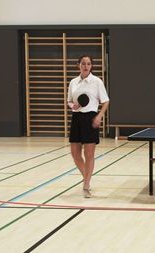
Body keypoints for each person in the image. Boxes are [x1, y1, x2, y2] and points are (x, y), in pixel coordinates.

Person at [67, 55, 109, 198]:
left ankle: (86, 184)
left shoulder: (97, 82)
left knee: (89, 154)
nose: (86, 66)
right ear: (78, 65)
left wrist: (99, 116)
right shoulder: (73, 82)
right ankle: (87, 177)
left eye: (89, 63)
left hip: (91, 118)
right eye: (83, 63)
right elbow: (68, 101)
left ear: (91, 66)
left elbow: (106, 101)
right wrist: (73, 105)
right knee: (75, 153)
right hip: (77, 118)